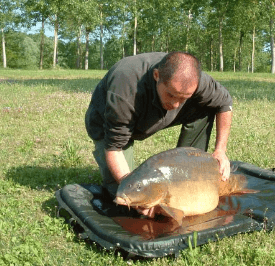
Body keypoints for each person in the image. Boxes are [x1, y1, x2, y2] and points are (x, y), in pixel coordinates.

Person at [85, 51, 233, 217]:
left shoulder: (195, 81)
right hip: (110, 125)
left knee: (205, 107)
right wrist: (134, 189)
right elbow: (114, 147)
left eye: (183, 98)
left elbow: (225, 103)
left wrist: (220, 150)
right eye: (171, 94)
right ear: (156, 75)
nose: (176, 104)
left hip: (157, 113)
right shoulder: (126, 83)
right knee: (125, 194)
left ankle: (188, 167)